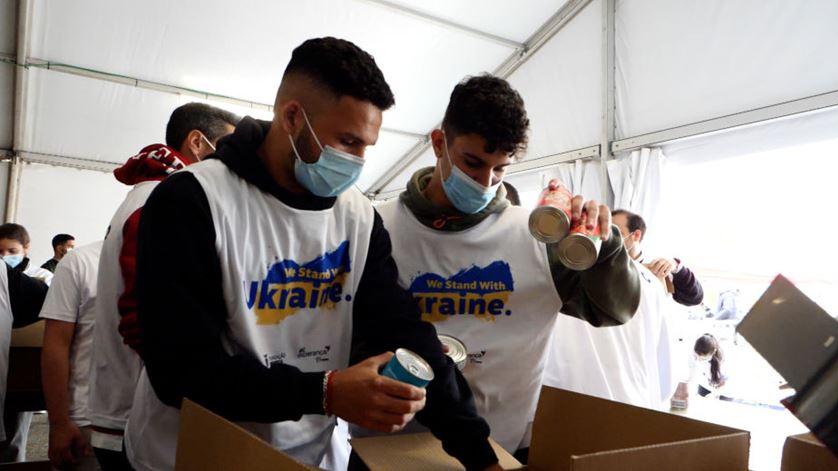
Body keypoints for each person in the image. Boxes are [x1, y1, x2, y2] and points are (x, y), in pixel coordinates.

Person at [126, 37, 503, 471]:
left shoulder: (356, 216)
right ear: (292, 117)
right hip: (193, 453)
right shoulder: (195, 201)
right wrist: (325, 392)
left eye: (367, 146)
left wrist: (480, 456)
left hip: (305, 454)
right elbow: (180, 371)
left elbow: (403, 332)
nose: (358, 161)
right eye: (347, 141)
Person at [353, 74, 640, 462]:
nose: (485, 182)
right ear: (439, 143)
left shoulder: (538, 238)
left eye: (500, 169)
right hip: (386, 454)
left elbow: (614, 309)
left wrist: (606, 250)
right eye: (473, 163)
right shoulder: (375, 226)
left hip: (498, 452)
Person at [88, 102, 238, 470]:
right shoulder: (164, 200)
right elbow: (147, 321)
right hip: (139, 413)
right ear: (199, 143)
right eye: (229, 147)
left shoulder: (148, 194)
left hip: (131, 404)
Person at [543, 259, 677, 410]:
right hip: (631, 409)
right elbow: (666, 380)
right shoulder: (650, 283)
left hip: (557, 404)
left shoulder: (546, 272)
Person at [40, 241, 103, 470]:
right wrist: (59, 423)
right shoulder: (81, 261)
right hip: (87, 419)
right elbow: (56, 346)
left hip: (151, 422)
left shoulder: (174, 261)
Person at [0, 222, 52, 462]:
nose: (5, 257)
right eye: (0, 252)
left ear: (26, 248)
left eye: (11, 251)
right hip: (10, 358)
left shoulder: (40, 277)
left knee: (16, 433)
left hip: (24, 365)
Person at [612, 209, 704, 306]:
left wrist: (676, 267)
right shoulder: (604, 263)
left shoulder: (658, 267)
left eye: (616, 232)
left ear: (636, 235)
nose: (608, 238)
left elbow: (695, 297)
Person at [671, 333, 730, 407]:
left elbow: (724, 383)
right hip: (705, 384)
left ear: (713, 353)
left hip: (721, 388)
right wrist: (688, 383)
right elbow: (692, 371)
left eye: (703, 359)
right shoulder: (693, 353)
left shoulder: (721, 359)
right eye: (696, 356)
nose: (698, 359)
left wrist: (715, 394)